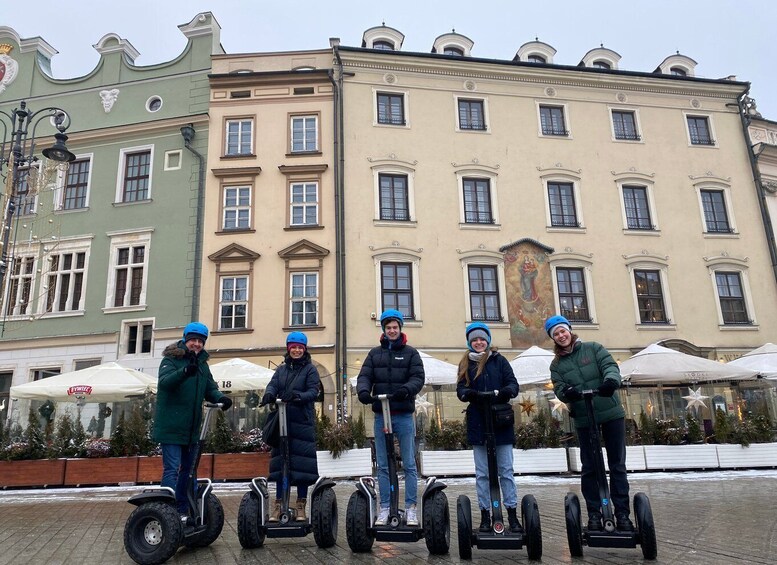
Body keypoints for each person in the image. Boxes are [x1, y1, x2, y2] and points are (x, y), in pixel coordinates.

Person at [545, 314, 634, 532]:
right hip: (585, 418)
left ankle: (622, 512)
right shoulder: (556, 365)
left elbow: (609, 365)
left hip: (611, 413)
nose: (561, 335)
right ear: (553, 338)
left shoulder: (593, 348)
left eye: (562, 331)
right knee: (590, 468)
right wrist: (567, 392)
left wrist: (611, 381)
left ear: (569, 330)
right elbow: (559, 387)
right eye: (556, 334)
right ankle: (595, 512)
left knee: (617, 465)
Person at [153, 322, 232, 517]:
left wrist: (220, 398)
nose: (196, 344)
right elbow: (165, 383)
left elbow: (210, 387)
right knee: (172, 469)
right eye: (193, 340)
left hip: (191, 430)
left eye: (200, 341)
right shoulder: (171, 359)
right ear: (186, 340)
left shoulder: (202, 365)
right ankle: (168, 512)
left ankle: (185, 508)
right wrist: (185, 372)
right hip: (171, 427)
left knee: (189, 470)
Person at [356, 309, 424, 526]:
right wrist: (364, 391)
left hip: (403, 414)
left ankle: (411, 508)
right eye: (388, 328)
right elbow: (365, 375)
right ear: (384, 330)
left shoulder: (411, 353)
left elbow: (417, 377)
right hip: (381, 415)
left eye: (395, 327)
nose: (392, 330)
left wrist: (407, 389)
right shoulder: (375, 354)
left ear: (400, 328)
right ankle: (385, 507)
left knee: (409, 464)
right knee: (383, 465)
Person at [456, 322, 522, 533]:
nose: (478, 342)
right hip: (478, 422)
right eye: (474, 339)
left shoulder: (499, 360)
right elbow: (460, 388)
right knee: (482, 473)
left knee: (506, 471)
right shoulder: (465, 363)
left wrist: (504, 392)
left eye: (482, 339)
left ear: (488, 340)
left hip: (500, 422)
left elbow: (513, 384)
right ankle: (486, 515)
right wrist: (468, 394)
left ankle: (512, 514)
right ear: (469, 342)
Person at [261, 331, 320, 522]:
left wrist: (296, 396)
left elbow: (313, 391)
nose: (296, 350)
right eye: (293, 347)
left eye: (300, 348)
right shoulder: (282, 370)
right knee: (281, 465)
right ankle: (279, 505)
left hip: (302, 423)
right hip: (282, 422)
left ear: (304, 349)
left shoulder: (310, 370)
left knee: (301, 466)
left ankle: (301, 506)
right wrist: (270, 394)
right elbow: (273, 385)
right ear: (288, 348)